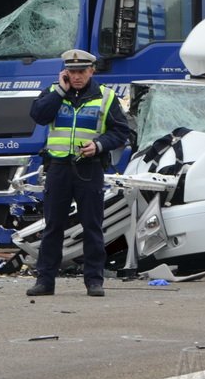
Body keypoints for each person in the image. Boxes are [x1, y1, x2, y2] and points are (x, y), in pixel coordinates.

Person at [26, 49, 130, 297]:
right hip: (59, 168)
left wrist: (99, 145)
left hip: (89, 168)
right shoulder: (54, 93)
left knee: (92, 226)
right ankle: (45, 281)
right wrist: (60, 92)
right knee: (53, 227)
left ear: (91, 71)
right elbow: (38, 116)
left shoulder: (105, 97)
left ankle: (94, 281)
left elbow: (121, 131)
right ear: (65, 72)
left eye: (81, 71)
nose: (77, 77)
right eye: (72, 72)